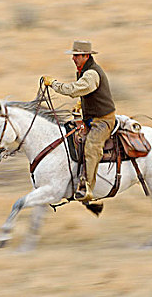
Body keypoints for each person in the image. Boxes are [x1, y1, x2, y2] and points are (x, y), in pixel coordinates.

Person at [43, 40, 116, 202]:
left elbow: (75, 89)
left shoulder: (91, 74)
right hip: (91, 118)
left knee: (91, 147)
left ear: (86, 56)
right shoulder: (84, 70)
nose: (73, 59)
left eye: (76, 56)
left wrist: (54, 84)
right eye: (73, 55)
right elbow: (87, 93)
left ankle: (87, 188)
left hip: (103, 121)